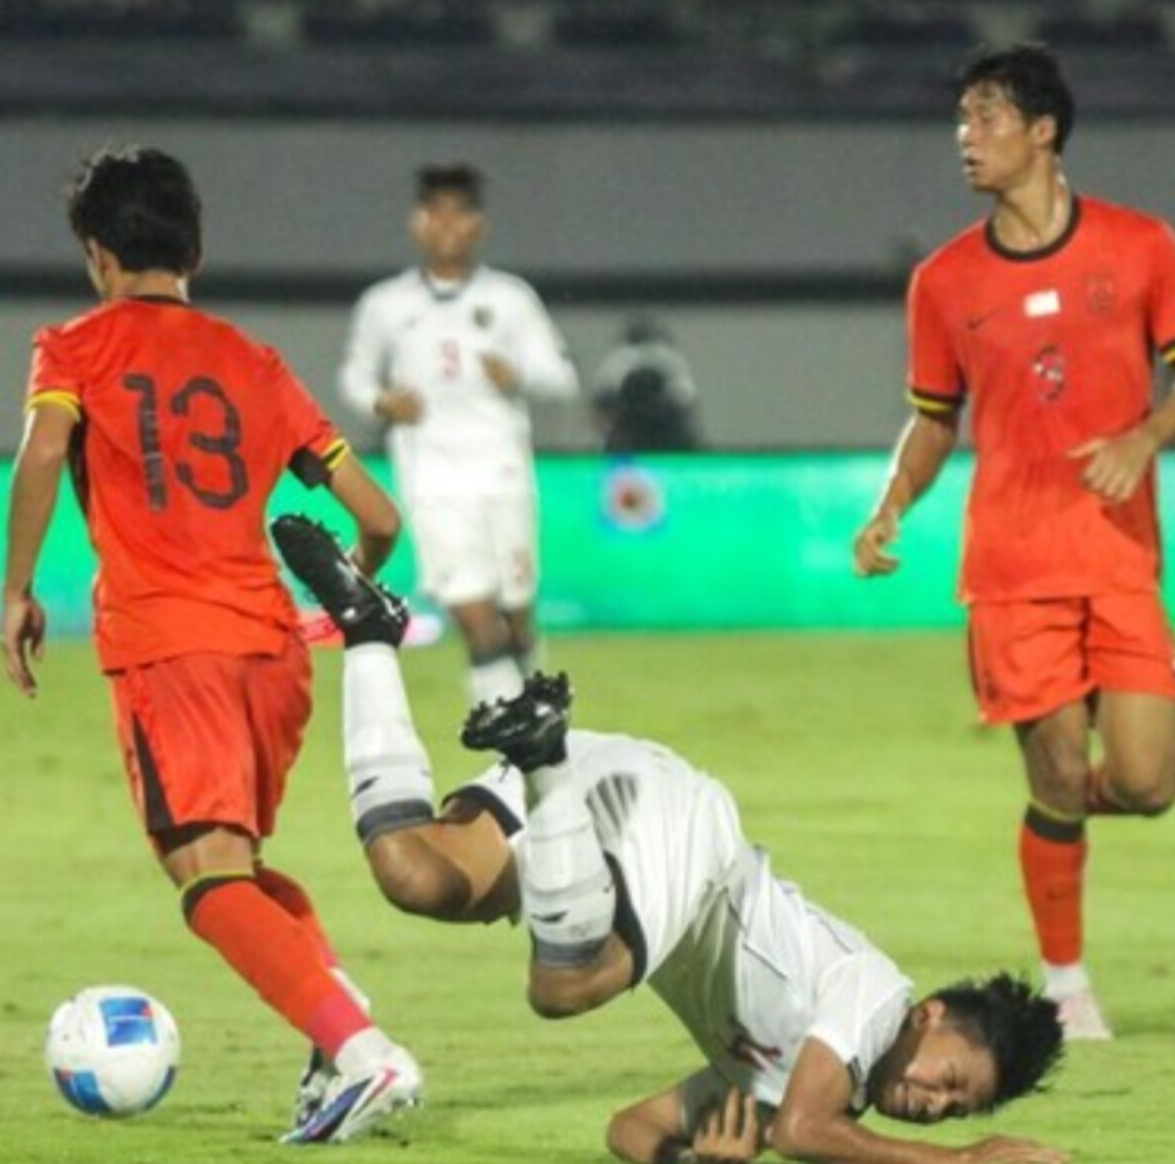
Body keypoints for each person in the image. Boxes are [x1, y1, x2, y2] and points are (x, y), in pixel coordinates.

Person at [270, 514, 1069, 1164]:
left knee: (413, 873)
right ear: (931, 1019)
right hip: (680, 837)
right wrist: (967, 1161)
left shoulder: (775, 1090)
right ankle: (543, 763)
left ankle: (369, 631)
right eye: (950, 1081)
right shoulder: (875, 997)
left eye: (953, 1112)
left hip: (607, 806)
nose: (932, 1106)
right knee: (566, 987)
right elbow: (807, 1135)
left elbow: (632, 1130)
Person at [0, 145, 422, 1144]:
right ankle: (337, 1044)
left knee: (207, 881)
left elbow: (47, 449)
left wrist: (16, 589)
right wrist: (340, 601)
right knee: (242, 871)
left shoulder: (74, 347)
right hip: (272, 653)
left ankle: (365, 1058)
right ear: (198, 247)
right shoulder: (255, 362)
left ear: (98, 256)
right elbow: (381, 517)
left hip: (168, 646)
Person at [851, 44, 1175, 1042]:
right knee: (1058, 773)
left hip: (1119, 557)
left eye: (985, 117)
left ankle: (1047, 823)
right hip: (1012, 570)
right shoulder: (943, 281)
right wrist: (893, 506)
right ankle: (1065, 982)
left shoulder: (1142, 246)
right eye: (962, 120)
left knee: (1147, 784)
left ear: (1043, 130)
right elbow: (933, 419)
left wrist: (1144, 436)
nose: (965, 138)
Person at [337, 161, 580, 707]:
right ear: (417, 223)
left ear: (478, 225)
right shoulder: (386, 305)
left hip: (502, 474)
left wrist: (517, 375)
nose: (446, 226)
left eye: (458, 214)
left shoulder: (511, 299)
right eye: (434, 213)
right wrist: (382, 401)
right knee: (475, 616)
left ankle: (540, 727)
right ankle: (510, 745)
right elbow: (354, 376)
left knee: (516, 617)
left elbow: (562, 378)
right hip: (433, 480)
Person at [591, 314, 703, 453]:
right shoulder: (617, 361)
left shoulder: (669, 360)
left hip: (666, 433)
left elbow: (684, 403)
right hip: (628, 433)